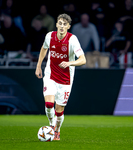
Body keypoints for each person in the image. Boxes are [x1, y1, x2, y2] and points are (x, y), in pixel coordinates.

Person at [35, 13, 86, 141]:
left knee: (59, 110)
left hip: (66, 79)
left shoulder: (72, 40)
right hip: (50, 75)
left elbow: (83, 60)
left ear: (68, 26)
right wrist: (38, 66)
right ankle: (52, 126)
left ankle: (57, 130)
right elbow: (43, 49)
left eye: (65, 24)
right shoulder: (49, 36)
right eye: (60, 23)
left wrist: (70, 62)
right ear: (56, 24)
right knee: (48, 103)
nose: (62, 26)